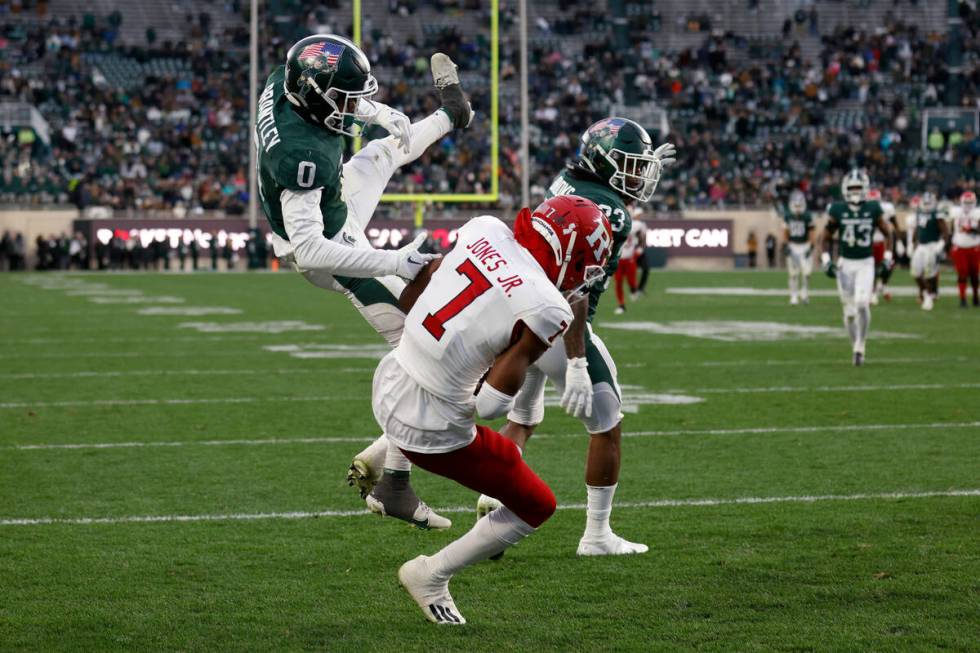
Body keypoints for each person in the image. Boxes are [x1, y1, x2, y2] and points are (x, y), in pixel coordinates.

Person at [259, 35, 473, 525]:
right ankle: (394, 482)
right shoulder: (301, 155)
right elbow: (309, 247)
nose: (354, 108)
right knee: (426, 348)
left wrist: (377, 113)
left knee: (382, 152)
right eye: (347, 100)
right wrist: (393, 262)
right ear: (313, 95)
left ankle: (452, 113)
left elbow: (335, 103)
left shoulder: (284, 82)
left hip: (335, 205)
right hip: (326, 249)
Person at [370, 196, 613, 624]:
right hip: (432, 428)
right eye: (583, 267)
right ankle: (430, 574)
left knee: (495, 447)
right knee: (537, 504)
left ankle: (383, 455)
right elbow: (488, 406)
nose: (582, 279)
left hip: (390, 377)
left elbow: (415, 293)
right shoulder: (547, 307)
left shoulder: (485, 227)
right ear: (567, 254)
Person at [481, 118, 675, 557]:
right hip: (560, 322)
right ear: (604, 162)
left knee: (524, 418)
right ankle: (597, 535)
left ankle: (493, 498)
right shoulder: (616, 215)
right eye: (629, 166)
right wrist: (578, 362)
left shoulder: (566, 179)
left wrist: (641, 169)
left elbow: (603, 195)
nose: (637, 175)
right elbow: (577, 291)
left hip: (521, 309)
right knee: (606, 421)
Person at [821, 170, 893, 366]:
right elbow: (825, 237)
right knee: (849, 313)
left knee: (862, 304)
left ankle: (861, 345)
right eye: (851, 188)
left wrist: (887, 257)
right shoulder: (837, 209)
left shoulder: (873, 208)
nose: (854, 191)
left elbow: (888, 233)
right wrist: (826, 259)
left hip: (865, 263)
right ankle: (855, 347)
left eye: (858, 188)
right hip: (845, 264)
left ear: (865, 189)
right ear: (845, 189)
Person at [909, 192, 949, 311]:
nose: (926, 205)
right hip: (921, 246)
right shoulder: (919, 212)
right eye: (925, 203)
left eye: (928, 203)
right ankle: (926, 293)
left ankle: (930, 296)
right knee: (915, 272)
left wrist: (941, 244)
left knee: (929, 273)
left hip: (932, 245)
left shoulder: (937, 213)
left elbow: (945, 232)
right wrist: (912, 243)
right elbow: (918, 229)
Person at [781, 190, 815, 305]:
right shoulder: (788, 216)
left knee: (807, 273)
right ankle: (794, 295)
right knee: (793, 273)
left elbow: (812, 232)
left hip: (805, 245)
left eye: (799, 205)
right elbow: (785, 232)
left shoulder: (807, 216)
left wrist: (811, 246)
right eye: (796, 205)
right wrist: (786, 245)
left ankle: (804, 293)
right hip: (793, 245)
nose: (798, 208)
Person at [866, 189, 897, 304]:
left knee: (889, 265)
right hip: (870, 242)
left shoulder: (887, 208)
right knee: (872, 268)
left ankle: (882, 285)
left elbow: (894, 223)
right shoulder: (865, 209)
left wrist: (897, 241)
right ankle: (872, 292)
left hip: (884, 241)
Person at [950, 191, 980, 307]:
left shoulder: (977, 212)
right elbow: (951, 227)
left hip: (974, 246)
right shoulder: (956, 211)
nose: (968, 205)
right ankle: (962, 299)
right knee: (962, 273)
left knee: (974, 274)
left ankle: (975, 296)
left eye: (970, 202)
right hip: (959, 246)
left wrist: (971, 230)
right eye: (966, 202)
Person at [612, 219, 644, 314]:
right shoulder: (616, 224)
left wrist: (640, 249)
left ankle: (633, 290)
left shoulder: (636, 225)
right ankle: (621, 304)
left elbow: (642, 237)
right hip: (618, 258)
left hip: (630, 258)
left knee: (631, 281)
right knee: (618, 281)